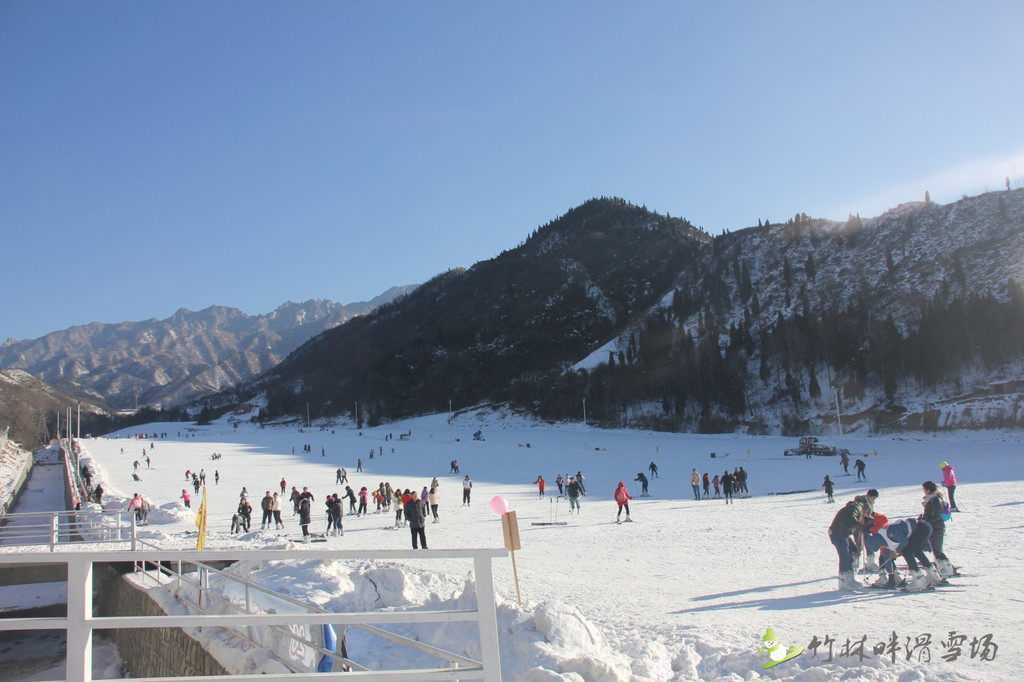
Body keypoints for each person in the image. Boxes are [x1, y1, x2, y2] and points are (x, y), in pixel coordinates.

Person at [865, 515, 941, 591]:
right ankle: (933, 576)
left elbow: (905, 541)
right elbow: (887, 557)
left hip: (922, 527)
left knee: (907, 552)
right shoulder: (884, 541)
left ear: (878, 542)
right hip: (921, 529)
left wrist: (897, 551)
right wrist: (891, 574)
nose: (880, 549)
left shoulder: (890, 532)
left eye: (879, 547)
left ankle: (919, 581)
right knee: (917, 552)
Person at [828, 493, 872, 589]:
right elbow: (851, 518)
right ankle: (843, 582)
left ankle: (850, 578)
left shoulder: (856, 507)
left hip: (843, 533)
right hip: (838, 532)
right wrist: (862, 527)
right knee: (845, 555)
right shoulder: (856, 507)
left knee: (853, 550)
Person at [921, 480, 955, 577]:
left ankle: (948, 568)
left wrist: (926, 521)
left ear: (928, 490)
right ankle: (942, 566)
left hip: (936, 527)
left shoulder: (934, 499)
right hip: (933, 526)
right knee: (934, 548)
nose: (923, 491)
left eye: (924, 489)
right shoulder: (931, 498)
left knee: (937, 548)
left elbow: (936, 515)